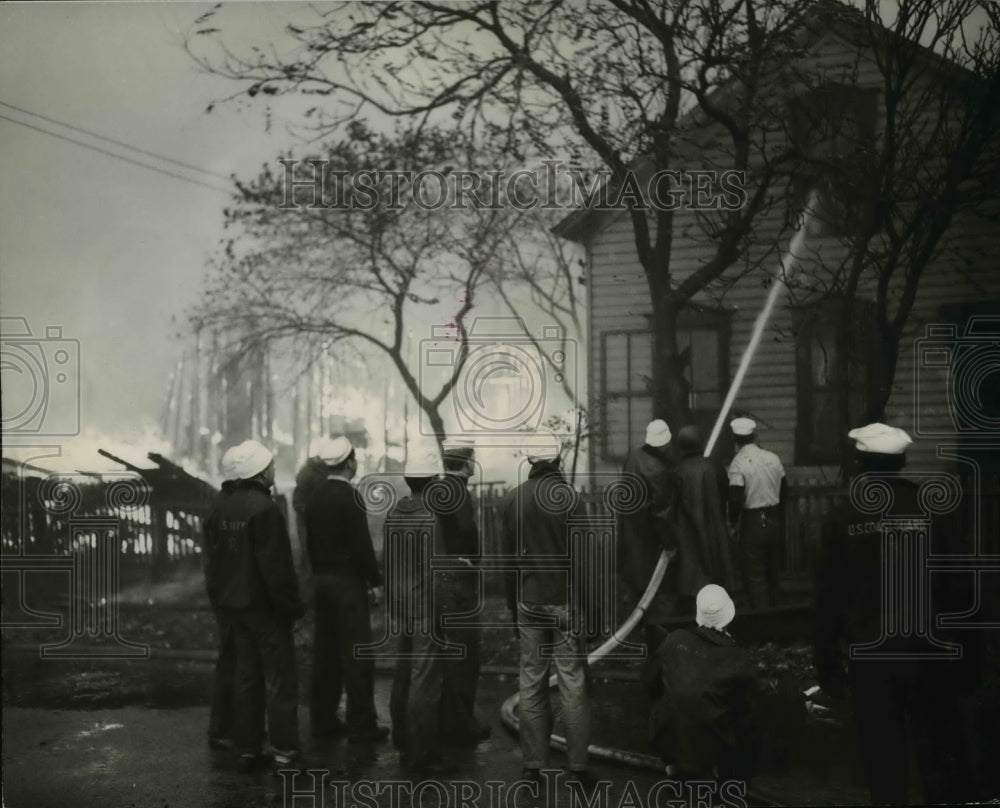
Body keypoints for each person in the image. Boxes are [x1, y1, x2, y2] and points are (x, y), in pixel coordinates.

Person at [814, 423, 976, 805]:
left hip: (871, 655)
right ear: (902, 461)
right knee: (939, 754)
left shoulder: (842, 516)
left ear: (859, 463)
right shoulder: (931, 508)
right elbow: (959, 588)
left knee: (884, 762)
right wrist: (970, 655)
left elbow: (827, 597)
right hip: (927, 651)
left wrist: (828, 664)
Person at [203, 439, 304, 772]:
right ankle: (285, 751)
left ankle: (248, 748)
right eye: (272, 465)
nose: (275, 469)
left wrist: (220, 598)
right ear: (262, 472)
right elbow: (276, 568)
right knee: (279, 680)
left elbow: (215, 560)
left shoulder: (224, 506)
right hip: (265, 610)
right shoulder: (265, 509)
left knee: (247, 677)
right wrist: (292, 608)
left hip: (236, 608)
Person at [500, 434, 592, 785]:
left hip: (528, 600)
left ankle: (533, 765)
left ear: (530, 461)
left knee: (531, 680)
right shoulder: (571, 499)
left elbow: (507, 564)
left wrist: (512, 607)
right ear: (556, 460)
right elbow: (583, 561)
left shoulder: (511, 501)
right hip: (566, 601)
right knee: (572, 681)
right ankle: (578, 768)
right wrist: (589, 611)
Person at [301, 436, 388, 744]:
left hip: (322, 582)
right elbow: (362, 546)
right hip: (348, 586)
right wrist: (375, 582)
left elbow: (309, 545)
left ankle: (323, 721)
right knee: (357, 654)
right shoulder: (350, 498)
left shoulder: (314, 498)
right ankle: (362, 725)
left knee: (325, 655)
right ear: (350, 462)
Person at [642, 584, 757, 781]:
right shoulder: (738, 657)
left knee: (665, 697)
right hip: (713, 748)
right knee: (745, 713)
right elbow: (747, 713)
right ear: (729, 616)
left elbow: (648, 682)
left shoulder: (673, 640)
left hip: (667, 743)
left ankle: (675, 761)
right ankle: (720, 767)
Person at [386, 449, 455, 775]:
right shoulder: (432, 516)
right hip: (425, 607)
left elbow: (389, 562)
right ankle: (422, 754)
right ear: (432, 481)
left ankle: (402, 740)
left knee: (404, 674)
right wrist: (444, 611)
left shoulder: (396, 512)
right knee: (424, 681)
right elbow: (435, 571)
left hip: (402, 605)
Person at [437, 438, 490, 745]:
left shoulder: (439, 489)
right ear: (466, 462)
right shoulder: (459, 492)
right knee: (465, 654)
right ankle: (461, 723)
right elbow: (467, 531)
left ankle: (448, 718)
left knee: (448, 652)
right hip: (459, 582)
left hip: (441, 579)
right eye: (473, 458)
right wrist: (472, 559)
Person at [619, 419, 681, 650]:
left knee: (635, 580)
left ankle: (636, 630)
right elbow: (662, 514)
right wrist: (671, 544)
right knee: (658, 586)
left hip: (630, 530)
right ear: (665, 445)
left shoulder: (633, 456)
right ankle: (661, 633)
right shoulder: (659, 471)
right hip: (650, 538)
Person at [726, 417, 786, 609]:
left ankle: (763, 626)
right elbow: (785, 491)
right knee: (773, 572)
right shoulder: (773, 458)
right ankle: (778, 619)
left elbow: (735, 498)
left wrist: (732, 524)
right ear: (755, 435)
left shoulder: (738, 464)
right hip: (774, 518)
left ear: (735, 439)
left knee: (755, 575)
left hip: (753, 522)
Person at [674, 425, 735, 594]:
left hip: (688, 530)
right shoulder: (714, 466)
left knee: (692, 570)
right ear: (700, 443)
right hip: (714, 526)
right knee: (716, 566)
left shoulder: (678, 470)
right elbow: (726, 493)